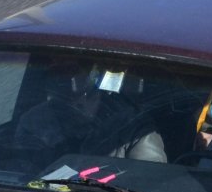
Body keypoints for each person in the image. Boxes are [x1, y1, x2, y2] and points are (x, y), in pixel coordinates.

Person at [15, 61, 166, 163]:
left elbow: (149, 182)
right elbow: (20, 170)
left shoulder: (135, 129)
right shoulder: (34, 122)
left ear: (99, 91)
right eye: (63, 95)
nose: (74, 104)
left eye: (84, 94)